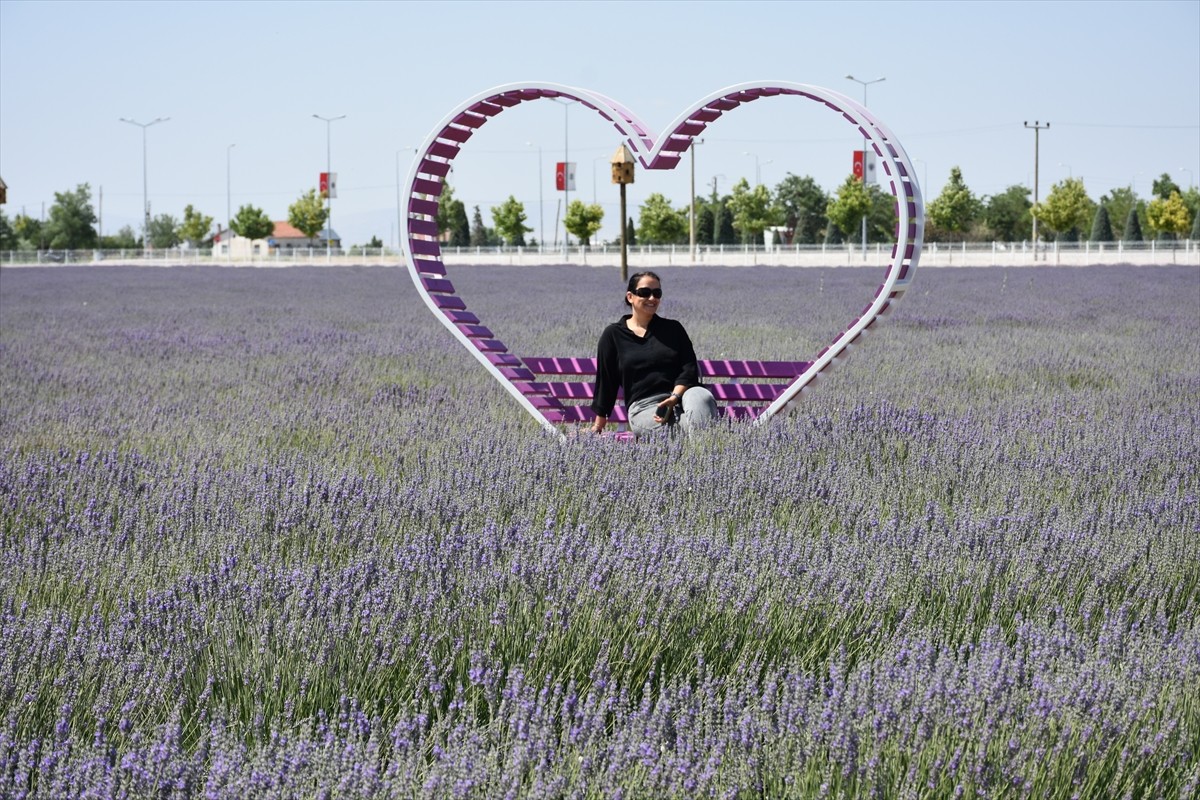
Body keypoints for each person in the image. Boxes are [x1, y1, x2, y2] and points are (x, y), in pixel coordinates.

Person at [589, 271, 719, 436]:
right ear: (630, 296)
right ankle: (709, 453)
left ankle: (704, 455)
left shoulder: (673, 329)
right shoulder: (613, 335)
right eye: (645, 293)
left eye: (657, 293)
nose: (652, 298)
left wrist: (674, 397)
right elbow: (607, 381)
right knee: (690, 428)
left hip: (683, 396)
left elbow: (689, 368)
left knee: (702, 398)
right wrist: (598, 425)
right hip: (645, 406)